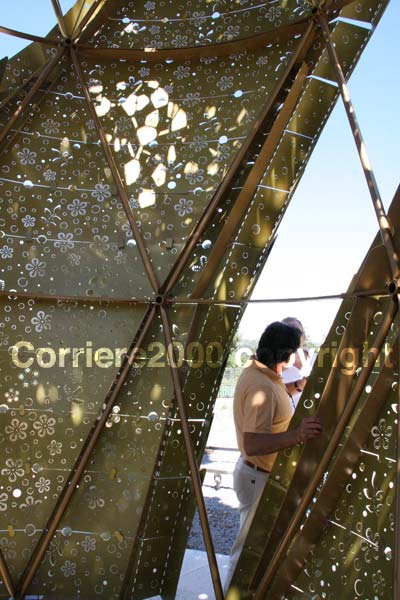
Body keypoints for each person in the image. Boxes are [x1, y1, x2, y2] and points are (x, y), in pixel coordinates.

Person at [224, 321, 322, 592]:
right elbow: (253, 442)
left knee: (256, 546)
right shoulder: (262, 388)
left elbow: (275, 406)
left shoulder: (260, 375)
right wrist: (298, 435)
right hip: (257, 475)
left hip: (255, 474)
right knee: (245, 550)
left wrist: (298, 386)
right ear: (288, 355)